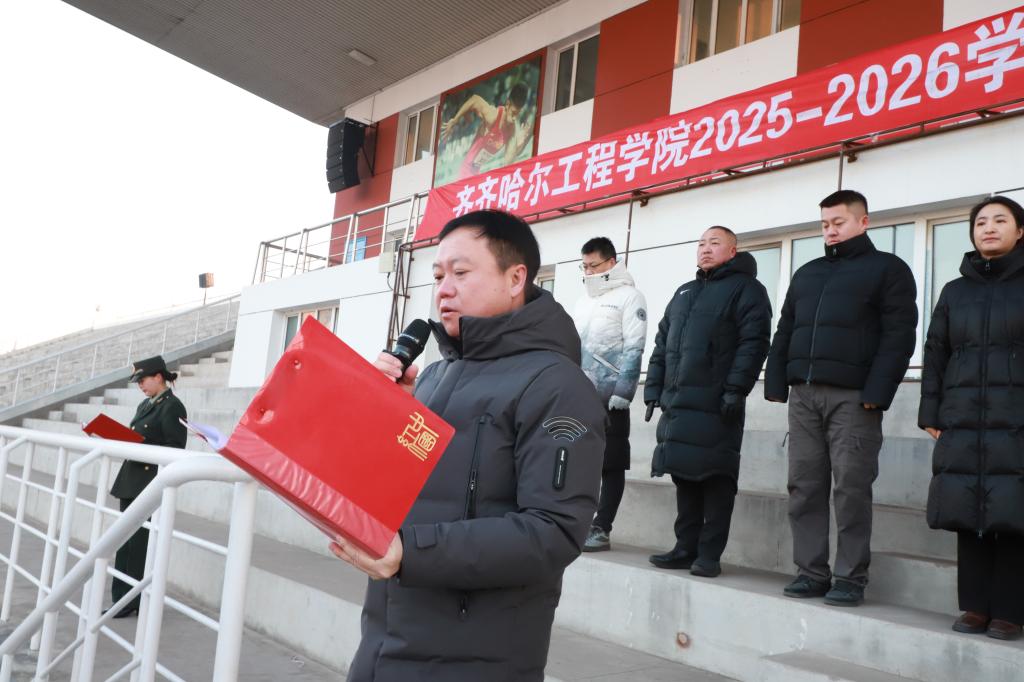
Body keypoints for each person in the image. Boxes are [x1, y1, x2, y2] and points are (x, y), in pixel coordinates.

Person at [331, 209, 605, 681]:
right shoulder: (433, 376)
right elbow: (394, 492)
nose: (444, 289)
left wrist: (410, 552)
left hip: (475, 659)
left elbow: (554, 531)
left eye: (460, 272)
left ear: (516, 278)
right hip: (386, 641)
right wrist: (382, 413)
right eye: (438, 275)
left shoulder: (557, 385)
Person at [765, 189, 917, 606]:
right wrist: (776, 382)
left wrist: (878, 392)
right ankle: (811, 572)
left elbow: (899, 335)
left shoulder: (888, 269)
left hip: (854, 398)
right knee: (804, 485)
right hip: (804, 395)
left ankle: (850, 577)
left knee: (851, 487)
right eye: (825, 224)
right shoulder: (808, 273)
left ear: (863, 222)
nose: (830, 231)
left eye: (838, 222)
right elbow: (786, 329)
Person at [919, 196, 1024, 641]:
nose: (989, 228)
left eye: (1000, 220)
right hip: (962, 416)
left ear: (1020, 231)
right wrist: (930, 410)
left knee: (1014, 510)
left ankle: (1010, 611)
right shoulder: (955, 290)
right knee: (968, 508)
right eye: (981, 222)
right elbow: (936, 351)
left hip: (1015, 417)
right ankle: (976, 606)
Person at [644, 227, 771, 577]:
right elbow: (662, 344)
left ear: (732, 251)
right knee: (684, 475)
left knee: (716, 478)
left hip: (718, 401)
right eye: (701, 243)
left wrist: (735, 389)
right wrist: (653, 389)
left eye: (715, 243)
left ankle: (709, 555)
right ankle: (685, 547)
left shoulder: (747, 289)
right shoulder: (684, 292)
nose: (706, 249)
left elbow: (754, 342)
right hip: (680, 402)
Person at [572, 237, 647, 552]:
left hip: (611, 396)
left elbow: (635, 346)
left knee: (611, 464)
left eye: (593, 265)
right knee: (580, 461)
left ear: (611, 262)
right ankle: (577, 522)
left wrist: (624, 391)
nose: (588, 272)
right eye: (584, 266)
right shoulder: (584, 301)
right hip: (580, 394)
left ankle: (602, 527)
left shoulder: (630, 297)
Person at [108, 355, 187, 618]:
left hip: (149, 481)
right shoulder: (145, 404)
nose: (140, 385)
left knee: (139, 545)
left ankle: (133, 600)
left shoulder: (172, 406)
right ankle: (121, 598)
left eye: (143, 380)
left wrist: (141, 444)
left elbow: (175, 448)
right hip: (131, 480)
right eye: (138, 381)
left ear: (158, 377)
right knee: (124, 542)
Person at [440, 82, 534, 180]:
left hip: (477, 172)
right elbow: (475, 99)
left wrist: (523, 142)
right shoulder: (493, 115)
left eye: (517, 114)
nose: (514, 118)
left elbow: (508, 160)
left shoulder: (511, 129)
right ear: (507, 104)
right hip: (466, 170)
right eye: (513, 113)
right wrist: (455, 120)